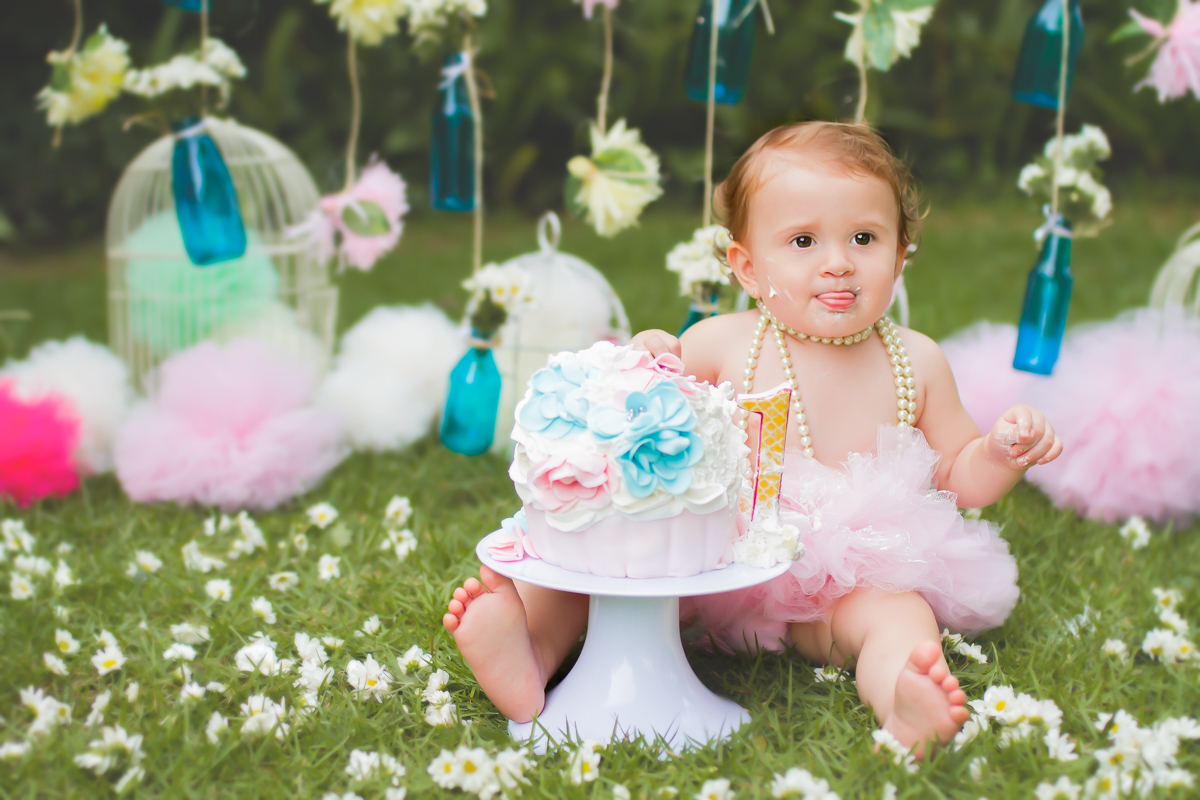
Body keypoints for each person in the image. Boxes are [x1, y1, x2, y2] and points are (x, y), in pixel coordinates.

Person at [443, 121, 1063, 757]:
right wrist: (649, 356)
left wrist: (996, 453)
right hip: (705, 550)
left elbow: (957, 474)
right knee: (587, 572)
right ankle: (530, 650)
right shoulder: (724, 341)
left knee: (898, 613)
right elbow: (647, 407)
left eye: (864, 237)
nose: (838, 261)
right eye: (802, 240)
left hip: (842, 577)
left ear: (901, 253)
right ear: (747, 266)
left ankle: (901, 692)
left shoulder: (917, 360)